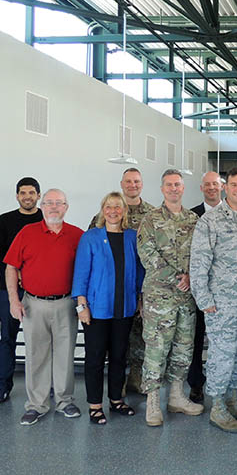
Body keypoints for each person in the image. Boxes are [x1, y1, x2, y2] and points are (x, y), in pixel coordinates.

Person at [190, 168, 237, 433]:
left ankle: (232, 398)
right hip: (220, 302)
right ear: (225, 188)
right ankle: (218, 406)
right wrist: (204, 298)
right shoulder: (210, 221)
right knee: (222, 354)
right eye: (234, 185)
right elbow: (198, 262)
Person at [3, 188, 84, 426]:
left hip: (66, 304)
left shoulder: (77, 235)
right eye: (49, 203)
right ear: (42, 205)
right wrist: (13, 300)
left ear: (66, 207)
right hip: (33, 304)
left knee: (65, 354)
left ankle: (65, 401)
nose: (54, 207)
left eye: (59, 203)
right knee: (36, 355)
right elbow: (10, 267)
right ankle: (36, 405)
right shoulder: (27, 233)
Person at [137, 169, 202, 427]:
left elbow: (201, 253)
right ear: (162, 189)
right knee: (156, 348)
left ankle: (176, 396)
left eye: (178, 184)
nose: (174, 189)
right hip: (159, 296)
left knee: (184, 347)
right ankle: (153, 401)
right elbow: (148, 255)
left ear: (183, 188)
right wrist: (179, 277)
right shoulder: (150, 220)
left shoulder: (194, 220)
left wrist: (191, 277)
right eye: (169, 185)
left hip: (187, 298)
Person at [73, 192, 145, 424]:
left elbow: (140, 273)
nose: (113, 211)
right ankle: (95, 405)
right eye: (109, 207)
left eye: (118, 207)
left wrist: (140, 301)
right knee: (94, 358)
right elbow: (81, 274)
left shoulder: (132, 237)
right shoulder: (91, 237)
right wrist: (81, 305)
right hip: (96, 309)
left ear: (124, 211)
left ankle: (116, 400)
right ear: (102, 210)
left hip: (124, 309)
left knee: (118, 357)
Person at [100, 168, 157, 395]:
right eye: (128, 181)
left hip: (143, 284)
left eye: (136, 181)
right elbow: (95, 243)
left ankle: (136, 377)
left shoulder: (152, 213)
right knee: (116, 338)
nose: (132, 185)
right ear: (121, 184)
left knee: (141, 335)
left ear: (141, 184)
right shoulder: (108, 211)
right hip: (113, 287)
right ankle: (118, 382)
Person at [0, 177, 43, 405]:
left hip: (39, 292)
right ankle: (3, 386)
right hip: (8, 290)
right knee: (8, 338)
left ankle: (44, 386)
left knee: (40, 341)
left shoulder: (46, 218)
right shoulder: (5, 220)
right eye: (23, 193)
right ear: (17, 195)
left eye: (32, 192)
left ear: (39, 195)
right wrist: (17, 273)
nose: (27, 196)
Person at [187, 171, 225, 403]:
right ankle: (196, 384)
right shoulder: (192, 216)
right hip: (199, 289)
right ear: (201, 188)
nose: (211, 188)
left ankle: (222, 386)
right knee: (196, 338)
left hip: (224, 291)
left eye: (215, 184)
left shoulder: (232, 214)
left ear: (221, 187)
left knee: (222, 341)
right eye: (207, 185)